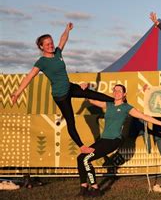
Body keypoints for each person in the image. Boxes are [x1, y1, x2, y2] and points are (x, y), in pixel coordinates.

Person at [11, 23, 114, 154]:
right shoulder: (41, 62)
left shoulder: (58, 53)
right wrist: (17, 93)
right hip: (61, 95)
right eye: (47, 44)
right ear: (41, 47)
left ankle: (115, 100)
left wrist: (67, 29)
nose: (51, 45)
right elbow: (29, 77)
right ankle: (82, 147)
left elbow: (63, 39)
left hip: (69, 87)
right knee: (70, 120)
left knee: (90, 93)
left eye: (51, 43)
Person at [77, 84, 161, 197]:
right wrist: (84, 89)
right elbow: (92, 100)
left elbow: (144, 117)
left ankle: (95, 189)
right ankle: (84, 187)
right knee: (80, 158)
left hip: (113, 141)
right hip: (103, 140)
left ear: (124, 94)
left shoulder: (126, 107)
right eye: (115, 90)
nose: (116, 92)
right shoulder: (108, 104)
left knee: (86, 159)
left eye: (119, 91)